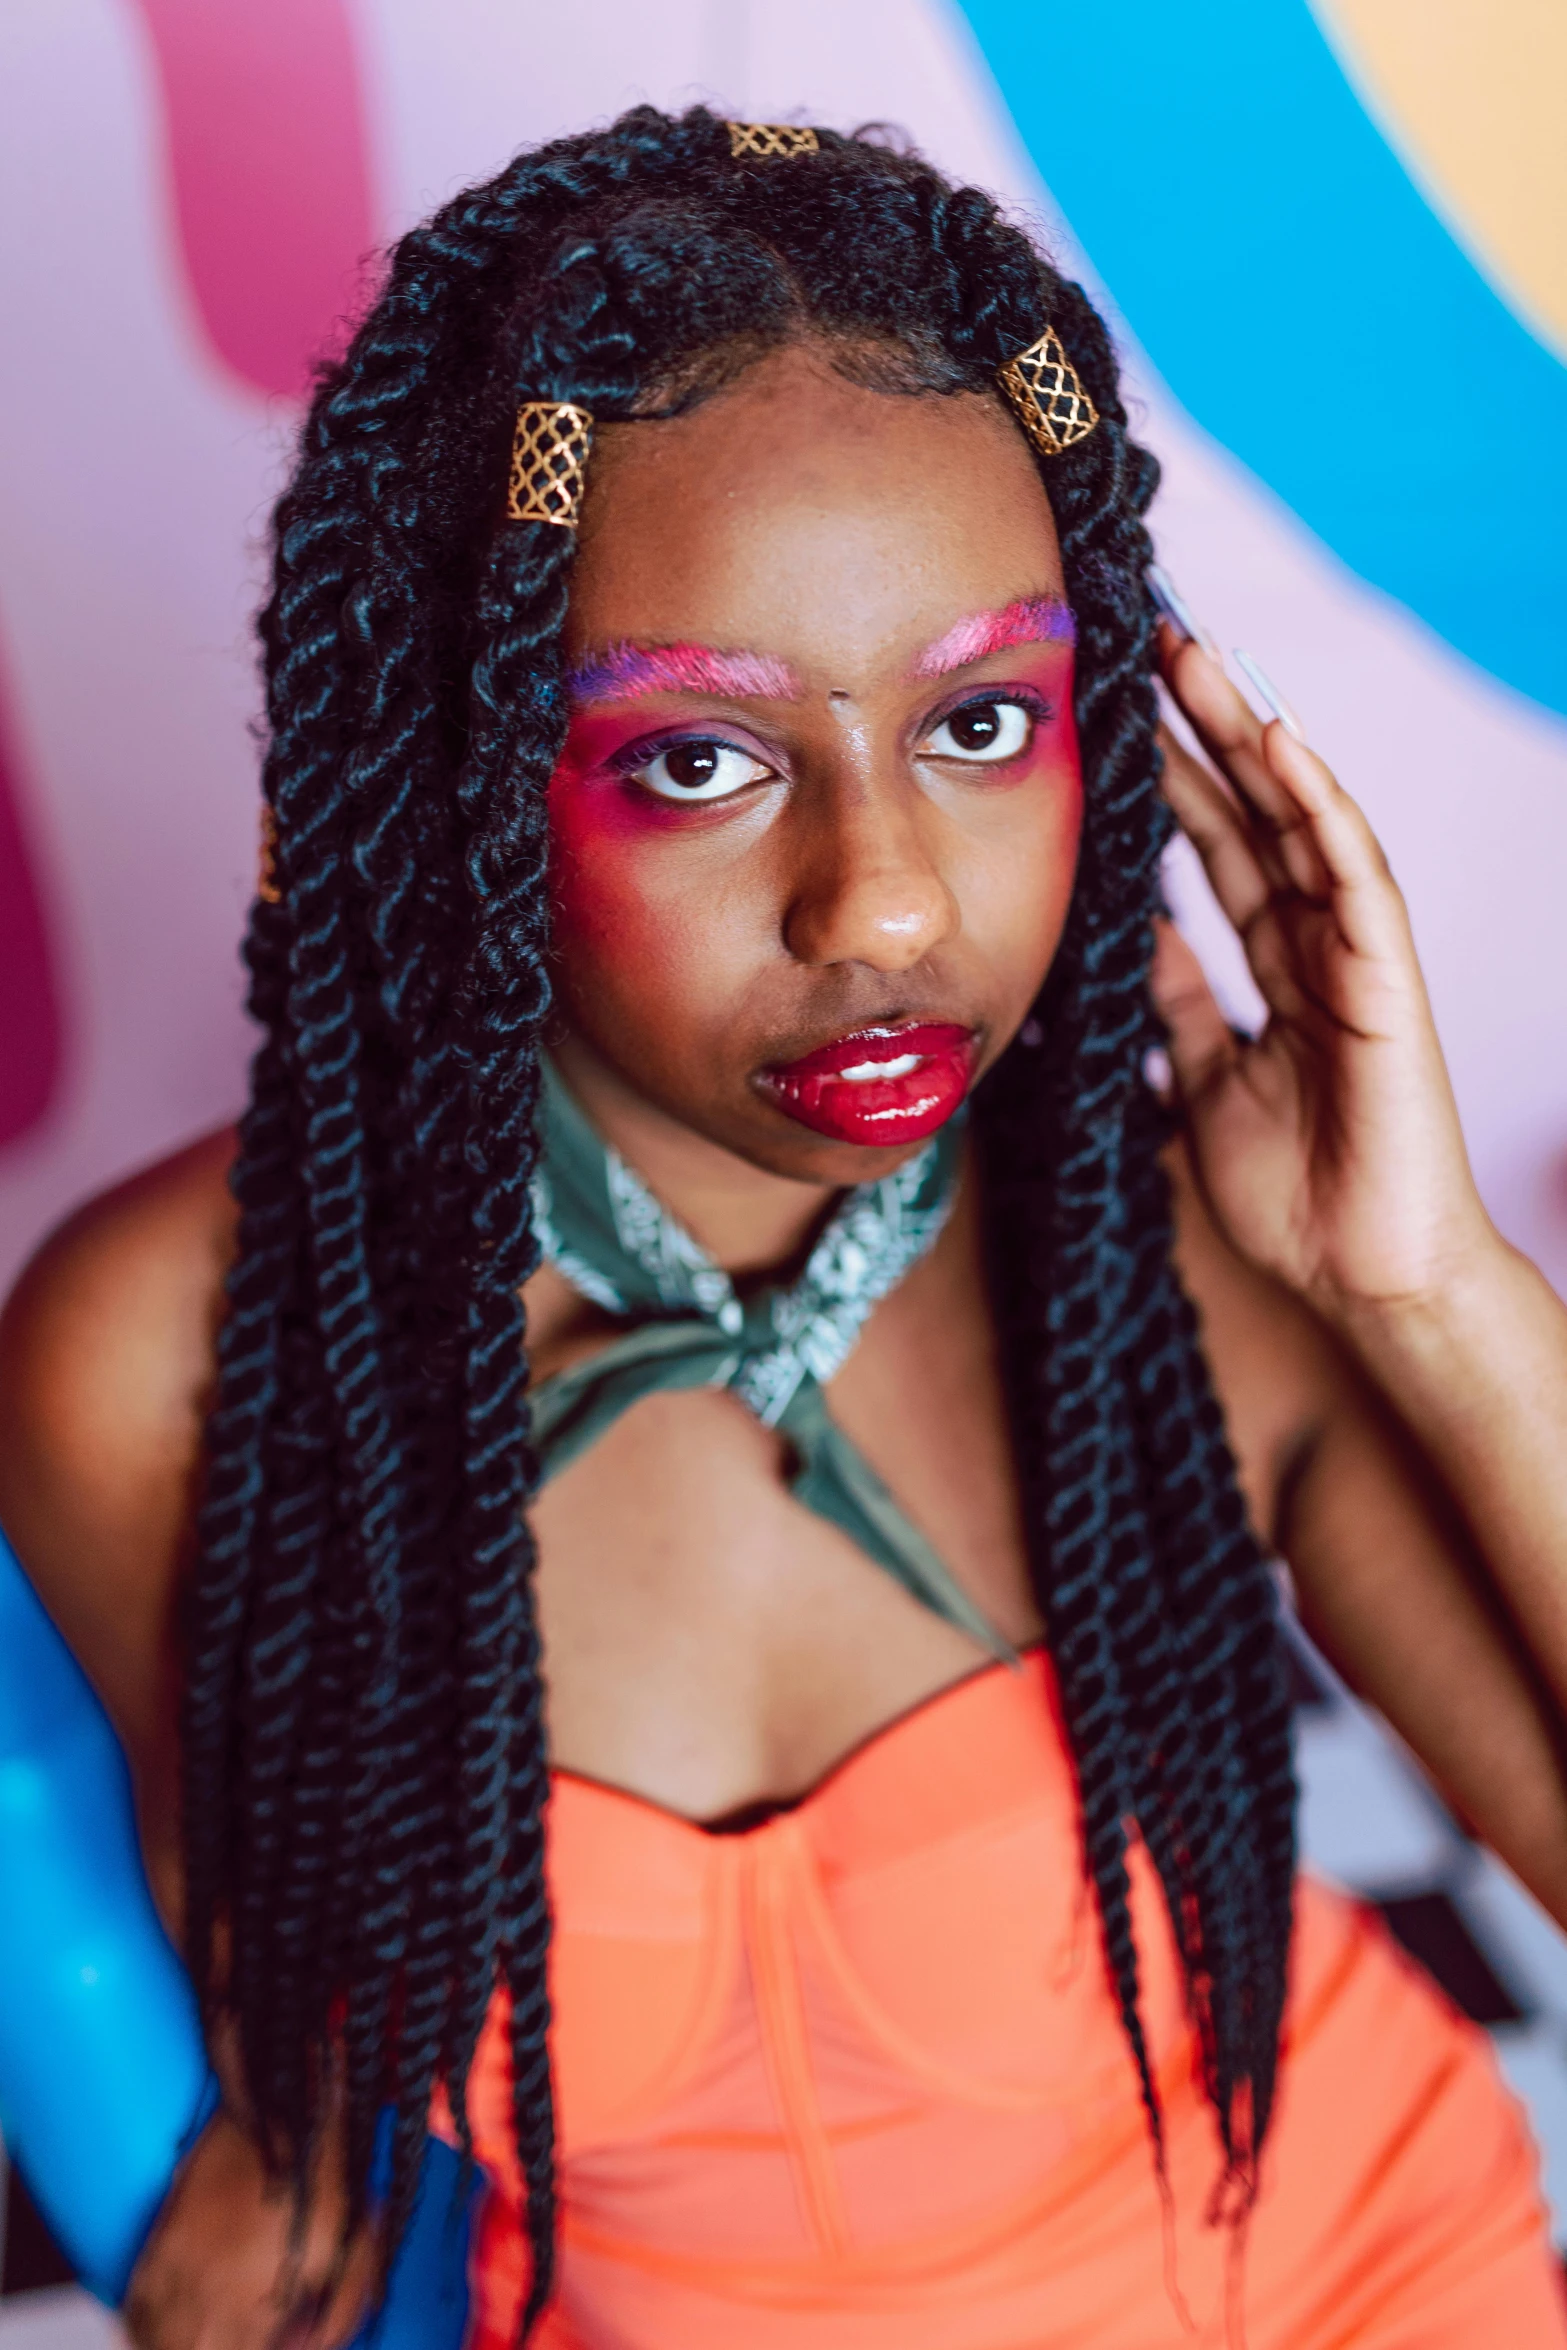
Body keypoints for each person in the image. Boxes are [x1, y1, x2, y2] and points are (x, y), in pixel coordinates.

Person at [2, 102, 1567, 2350]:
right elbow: (279, 2031)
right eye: (697, 760)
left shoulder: (1161, 1247)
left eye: (985, 718)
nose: (891, 900)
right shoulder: (170, 1354)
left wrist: (1431, 1291)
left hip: (1351, 2280)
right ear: (451, 777)